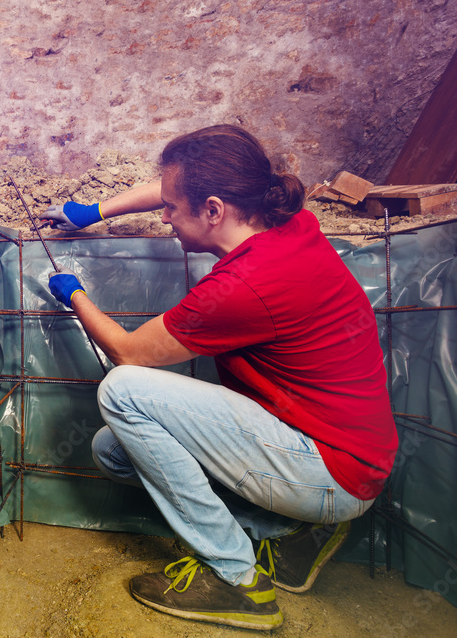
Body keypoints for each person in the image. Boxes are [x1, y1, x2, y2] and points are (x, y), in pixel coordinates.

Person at [38, 125, 397, 631]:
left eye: (171, 209)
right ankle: (286, 532)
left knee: (124, 390)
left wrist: (73, 293)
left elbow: (126, 353)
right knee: (112, 449)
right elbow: (181, 191)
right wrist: (94, 212)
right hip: (339, 454)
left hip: (333, 472)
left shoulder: (247, 285)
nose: (164, 217)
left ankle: (238, 583)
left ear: (213, 210)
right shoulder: (286, 225)